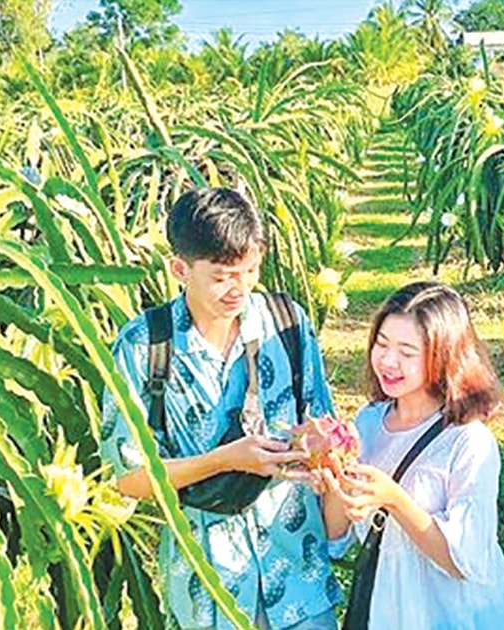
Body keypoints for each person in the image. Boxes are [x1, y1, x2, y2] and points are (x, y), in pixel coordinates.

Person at [99, 188, 342, 630]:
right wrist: (224, 461)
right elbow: (129, 479)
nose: (240, 289)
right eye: (223, 276)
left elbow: (321, 423)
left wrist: (320, 444)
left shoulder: (287, 324)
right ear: (180, 269)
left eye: (250, 271)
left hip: (298, 576)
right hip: (206, 590)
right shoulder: (143, 346)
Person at [314, 281, 504, 629]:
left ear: (443, 356)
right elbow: (335, 533)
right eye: (382, 344)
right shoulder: (367, 423)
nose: (388, 361)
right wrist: (336, 474)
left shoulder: (468, 441)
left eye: (407, 352)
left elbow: (465, 561)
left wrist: (394, 499)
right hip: (385, 608)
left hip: (453, 614)